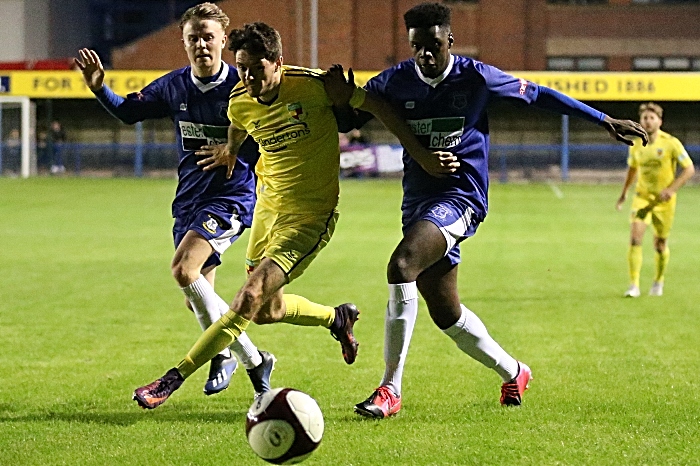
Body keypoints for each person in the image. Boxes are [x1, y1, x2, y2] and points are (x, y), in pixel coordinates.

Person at [336, 2, 648, 418]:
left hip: (462, 198)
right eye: (417, 47)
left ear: (450, 40)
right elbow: (347, 121)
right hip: (417, 204)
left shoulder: (476, 77)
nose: (425, 55)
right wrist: (338, 100)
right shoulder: (393, 82)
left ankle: (390, 388)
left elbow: (537, 94)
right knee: (446, 314)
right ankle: (514, 371)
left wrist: (602, 118)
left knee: (402, 264)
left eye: (433, 45)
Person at [131, 21, 457, 410]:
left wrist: (414, 150)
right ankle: (337, 318)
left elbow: (376, 106)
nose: (249, 77)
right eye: (242, 68)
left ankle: (173, 377)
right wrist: (230, 149)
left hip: (309, 218)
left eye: (257, 68)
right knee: (270, 311)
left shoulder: (312, 85)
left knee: (248, 297)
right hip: (268, 211)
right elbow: (237, 125)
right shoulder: (240, 99)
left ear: (278, 63)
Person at [75, 3, 275, 399]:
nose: (201, 44)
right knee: (197, 299)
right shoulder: (173, 85)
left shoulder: (243, 85)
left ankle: (233, 359)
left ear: (222, 39)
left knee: (184, 270)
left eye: (208, 36)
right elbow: (129, 113)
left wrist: (236, 149)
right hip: (187, 203)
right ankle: (254, 357)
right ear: (184, 43)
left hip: (230, 198)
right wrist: (100, 87)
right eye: (193, 38)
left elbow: (269, 135)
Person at [616, 102, 694, 298]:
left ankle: (658, 280)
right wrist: (625, 192)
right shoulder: (635, 145)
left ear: (659, 121)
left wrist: (671, 189)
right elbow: (632, 169)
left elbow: (689, 169)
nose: (648, 122)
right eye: (645, 118)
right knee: (635, 238)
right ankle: (633, 285)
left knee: (660, 244)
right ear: (640, 122)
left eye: (652, 118)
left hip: (664, 202)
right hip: (642, 198)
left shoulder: (671, 143)